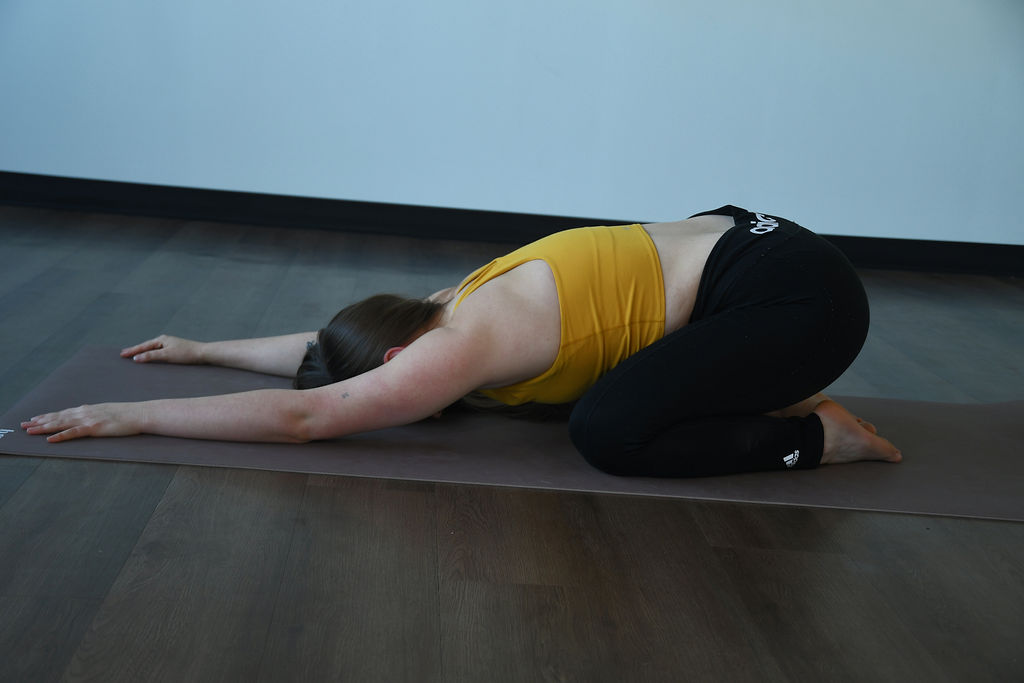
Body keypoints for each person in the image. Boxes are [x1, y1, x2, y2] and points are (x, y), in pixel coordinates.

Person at [21, 205, 902, 477]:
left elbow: (311, 416)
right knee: (589, 389)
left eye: (397, 393)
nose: (398, 407)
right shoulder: (444, 302)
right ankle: (756, 381)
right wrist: (205, 347)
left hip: (803, 303)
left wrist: (131, 416)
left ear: (407, 362)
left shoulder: (465, 342)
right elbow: (323, 355)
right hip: (759, 236)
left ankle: (817, 437)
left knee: (606, 430)